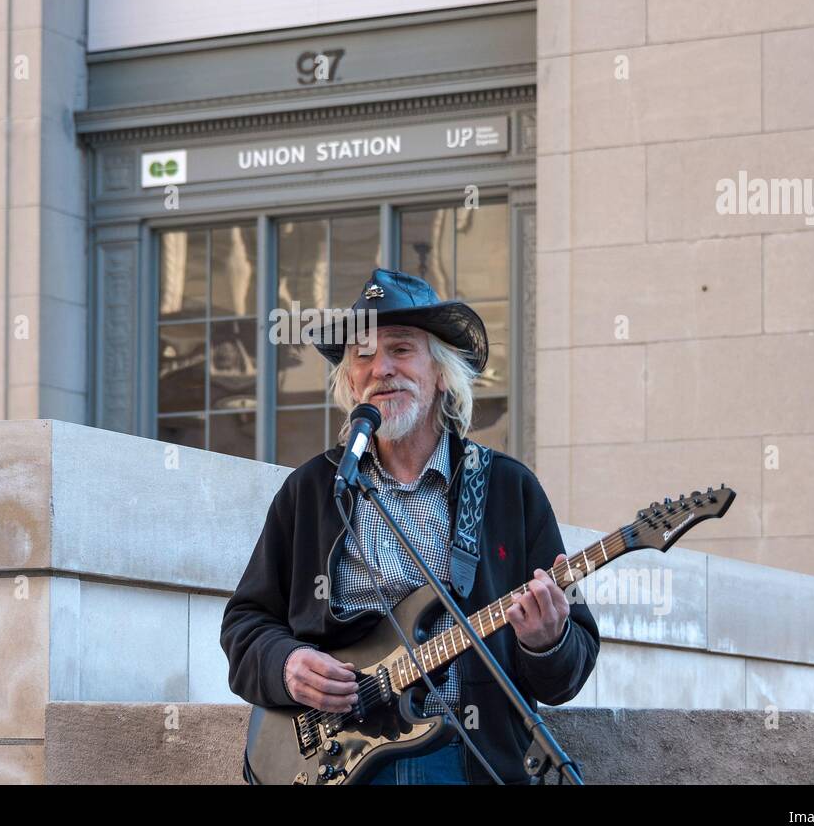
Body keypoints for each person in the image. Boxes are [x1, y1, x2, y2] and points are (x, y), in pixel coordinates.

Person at [220, 268, 599, 784]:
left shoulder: (510, 490)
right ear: (350, 380)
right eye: (364, 355)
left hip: (466, 759)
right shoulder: (313, 489)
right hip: (334, 760)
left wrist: (546, 640)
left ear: (441, 372)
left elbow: (566, 673)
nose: (381, 369)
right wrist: (286, 666)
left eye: (400, 349)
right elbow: (245, 623)